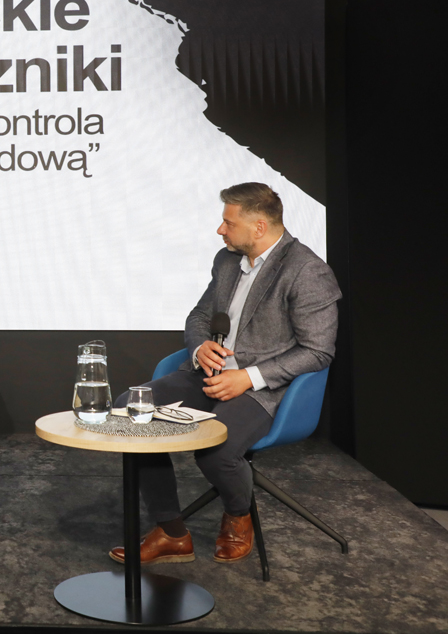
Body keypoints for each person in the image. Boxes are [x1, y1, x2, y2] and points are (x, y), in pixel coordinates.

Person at [110, 182, 340, 566]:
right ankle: (171, 532)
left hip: (262, 389)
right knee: (131, 413)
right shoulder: (227, 260)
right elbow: (199, 315)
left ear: (259, 227)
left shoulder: (307, 271)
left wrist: (249, 377)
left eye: (228, 223)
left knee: (214, 448)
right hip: (206, 375)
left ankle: (237, 515)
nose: (220, 230)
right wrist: (200, 346)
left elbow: (318, 351)